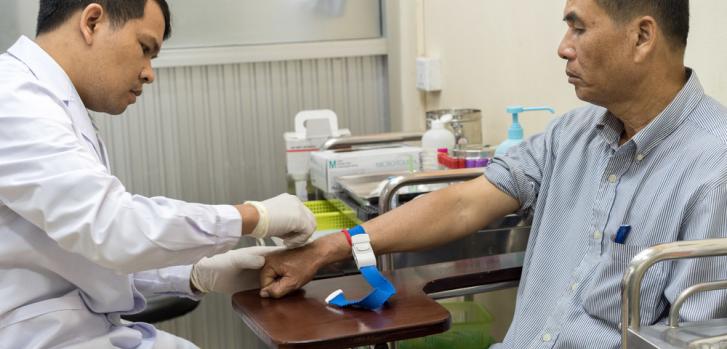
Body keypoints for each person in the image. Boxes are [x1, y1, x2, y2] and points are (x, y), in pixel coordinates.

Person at [259, 0, 727, 348]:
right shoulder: (574, 133)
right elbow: (465, 202)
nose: (563, 48)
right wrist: (327, 249)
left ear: (642, 37)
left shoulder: (714, 169)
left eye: (578, 28)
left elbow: (695, 338)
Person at [0, 0, 316, 348]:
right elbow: (111, 227)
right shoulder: (14, 100)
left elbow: (84, 251)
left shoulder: (46, 99)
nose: (149, 72)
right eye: (144, 48)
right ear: (92, 22)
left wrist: (195, 275)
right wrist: (252, 216)